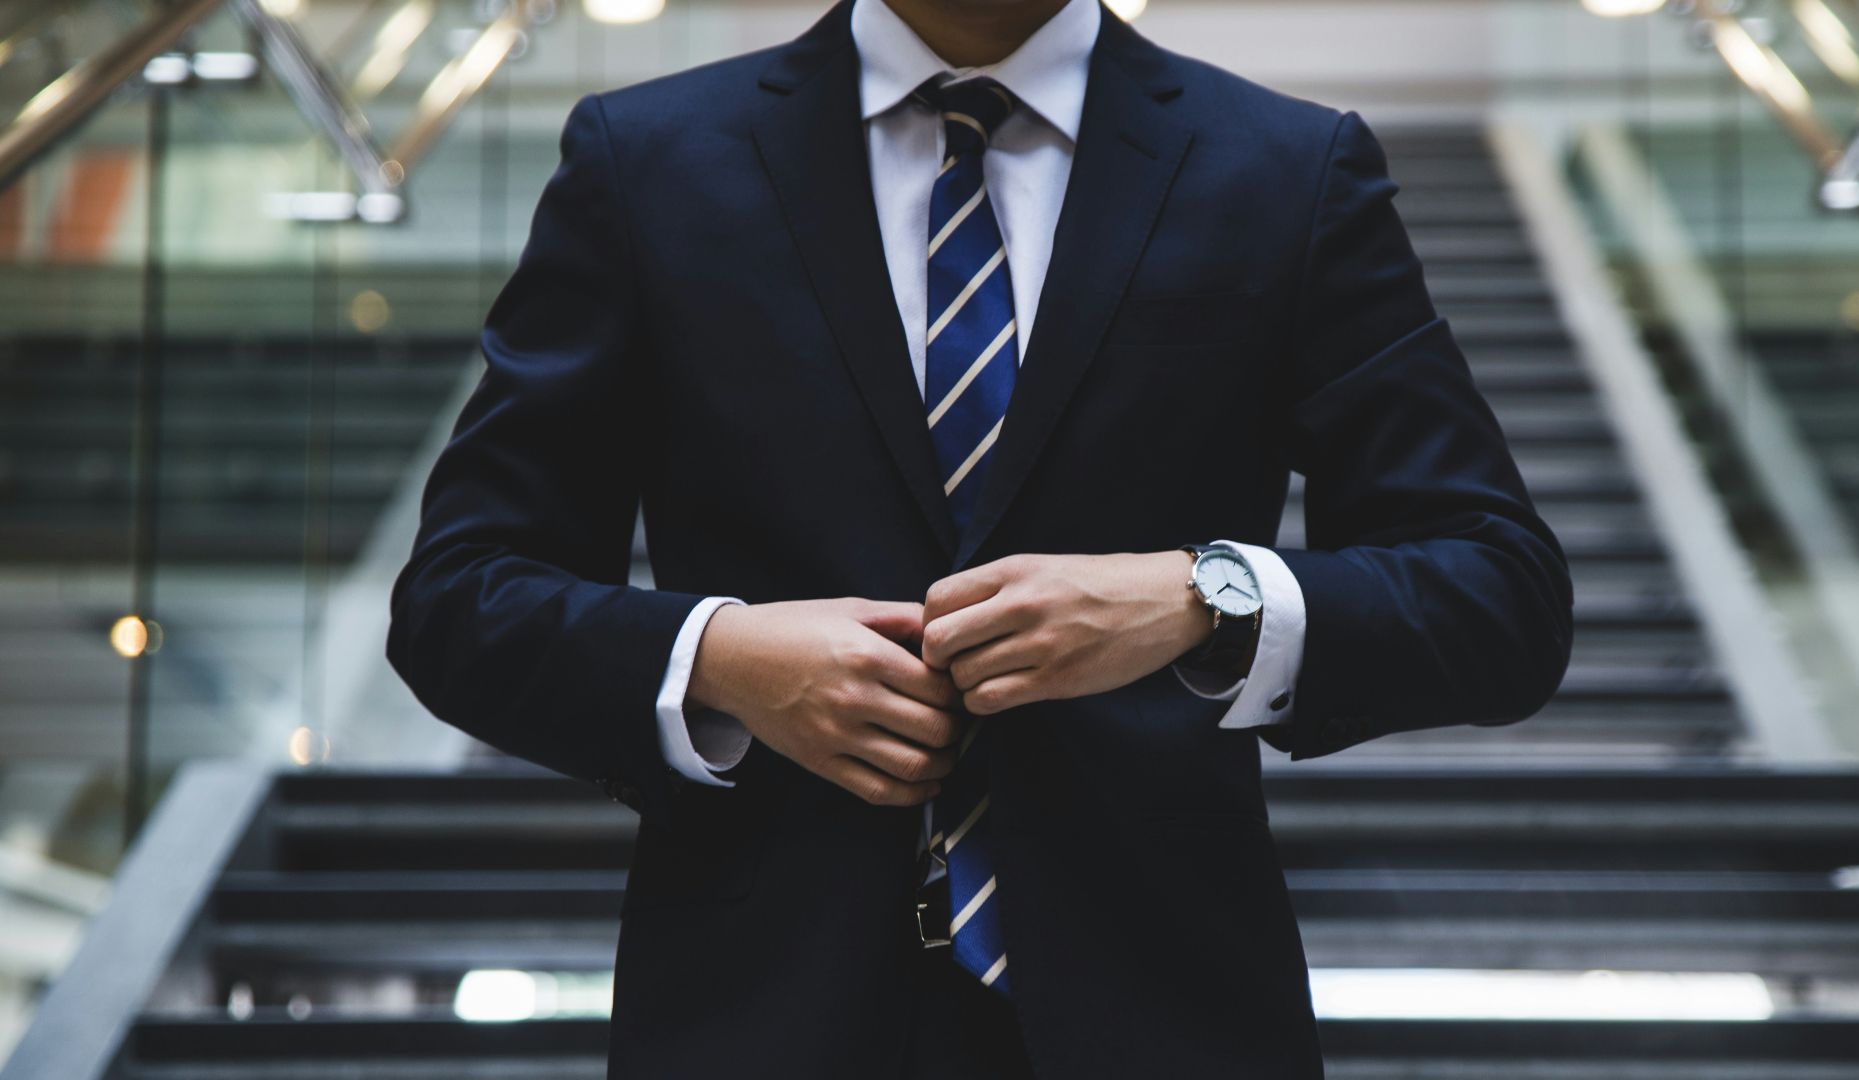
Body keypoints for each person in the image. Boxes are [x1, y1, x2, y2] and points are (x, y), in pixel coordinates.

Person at [386, 0, 1574, 1074]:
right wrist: (721, 662)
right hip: (756, 1014)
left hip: (1165, 1014)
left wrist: (1207, 599)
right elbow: (458, 597)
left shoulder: (1284, 169)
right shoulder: (645, 162)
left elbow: (1500, 592)